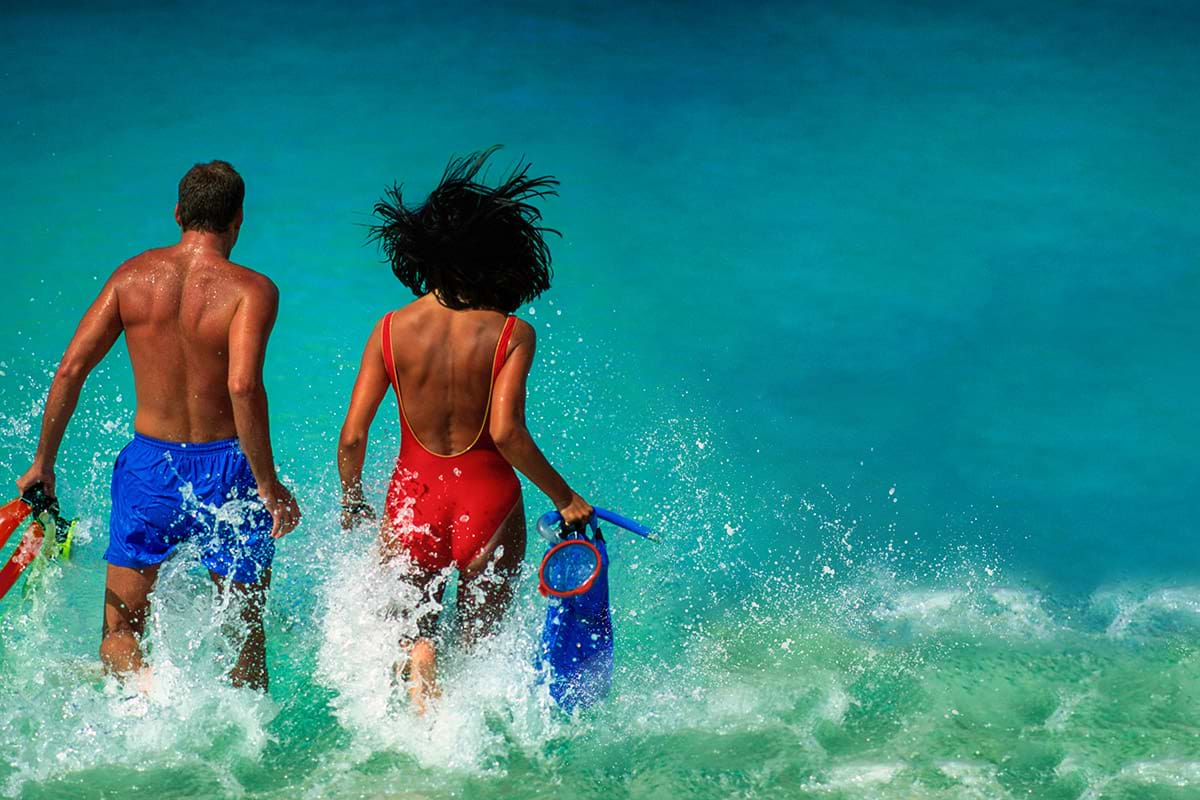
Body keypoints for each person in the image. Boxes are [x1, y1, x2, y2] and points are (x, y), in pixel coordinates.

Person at [16, 161, 300, 691]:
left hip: (149, 469)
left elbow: (71, 368)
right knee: (244, 629)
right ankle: (245, 740)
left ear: (177, 213)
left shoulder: (131, 278)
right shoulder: (251, 290)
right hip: (228, 471)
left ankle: (152, 690)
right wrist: (267, 483)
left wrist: (43, 463)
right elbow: (242, 386)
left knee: (121, 627)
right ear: (237, 219)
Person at [337, 147, 592, 712]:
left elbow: (353, 436)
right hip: (487, 503)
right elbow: (506, 431)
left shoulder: (389, 329)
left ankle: (419, 673)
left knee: (410, 633)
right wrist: (565, 496)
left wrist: (353, 498)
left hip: (414, 500)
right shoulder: (510, 333)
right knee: (479, 655)